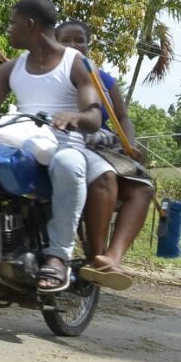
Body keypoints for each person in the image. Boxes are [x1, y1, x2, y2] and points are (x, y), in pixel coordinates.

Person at [0, 0, 111, 292]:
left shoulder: (75, 63)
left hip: (64, 144)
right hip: (20, 139)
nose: (9, 29)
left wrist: (73, 116)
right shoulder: (11, 69)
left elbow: (93, 114)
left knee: (68, 164)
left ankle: (58, 257)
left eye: (12, 23)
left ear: (29, 25)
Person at [56, 19, 155, 287]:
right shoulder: (51, 73)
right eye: (66, 40)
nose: (74, 45)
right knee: (105, 179)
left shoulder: (105, 80)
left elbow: (122, 117)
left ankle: (110, 259)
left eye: (80, 40)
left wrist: (129, 144)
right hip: (68, 143)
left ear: (88, 45)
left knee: (142, 189)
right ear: (55, 43)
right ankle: (94, 256)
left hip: (102, 146)